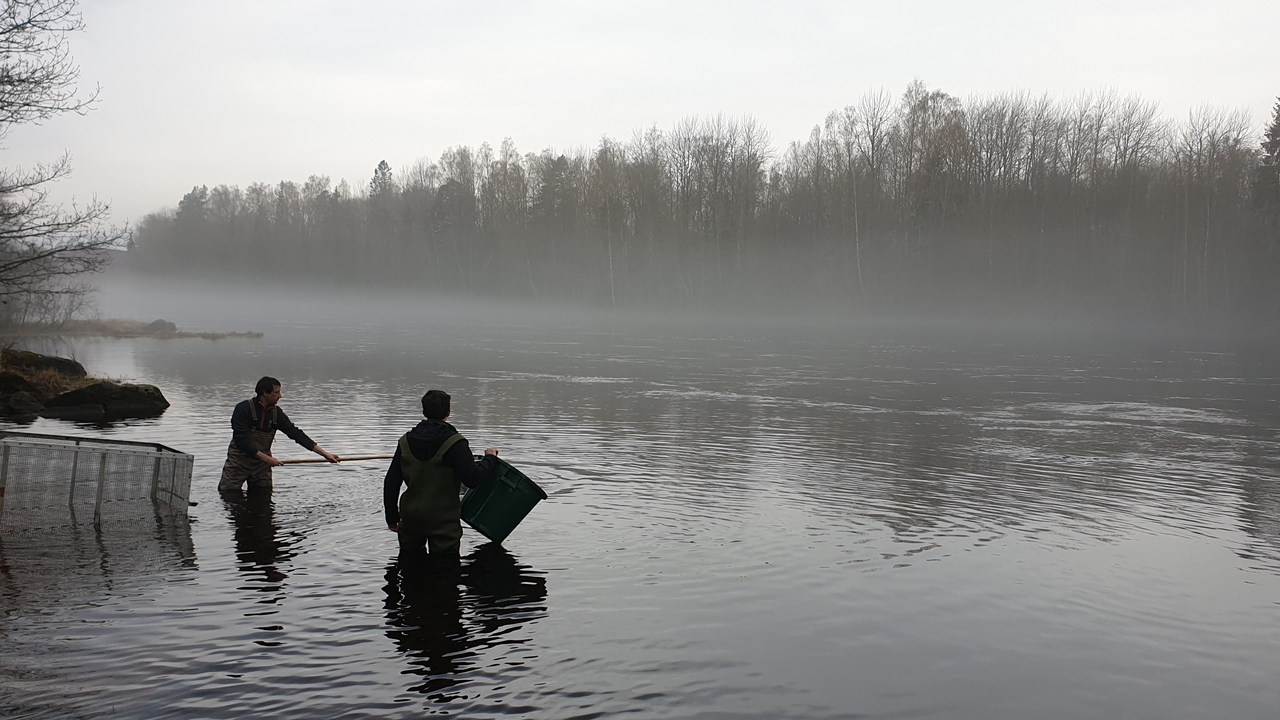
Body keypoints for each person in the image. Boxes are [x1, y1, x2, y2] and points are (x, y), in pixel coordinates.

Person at [384, 389, 499, 562]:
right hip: (442, 521)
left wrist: (391, 517)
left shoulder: (405, 441)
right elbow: (472, 478)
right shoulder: (455, 442)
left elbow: (391, 482)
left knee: (410, 566)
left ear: (424, 411)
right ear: (448, 412)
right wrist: (490, 459)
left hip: (410, 519)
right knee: (445, 571)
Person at [218, 376, 339, 493]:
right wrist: (267, 459)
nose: (280, 396)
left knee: (263, 497)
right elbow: (241, 441)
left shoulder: (277, 413)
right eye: (276, 393)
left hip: (262, 466)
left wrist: (325, 454)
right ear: (265, 393)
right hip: (239, 463)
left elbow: (296, 434)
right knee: (228, 494)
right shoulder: (243, 409)